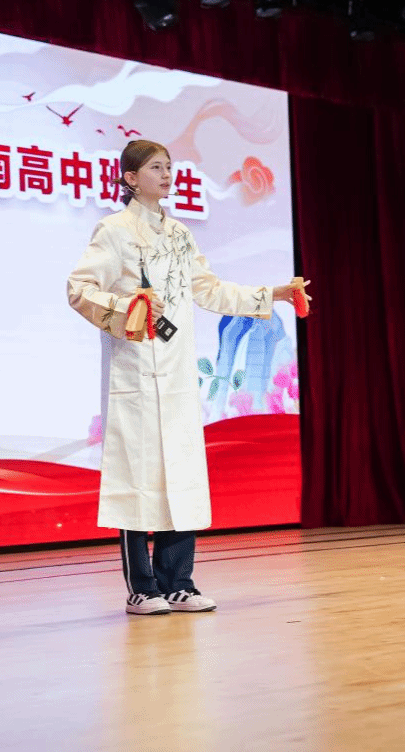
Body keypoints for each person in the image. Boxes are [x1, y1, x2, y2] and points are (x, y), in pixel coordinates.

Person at [68, 140, 306, 615]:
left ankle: (179, 581)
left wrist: (271, 294)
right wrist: (127, 307)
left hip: (176, 373)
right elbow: (79, 288)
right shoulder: (113, 230)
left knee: (180, 473)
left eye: (169, 167)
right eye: (156, 168)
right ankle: (142, 587)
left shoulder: (179, 234)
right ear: (131, 178)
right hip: (135, 372)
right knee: (137, 477)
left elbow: (209, 289)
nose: (167, 175)